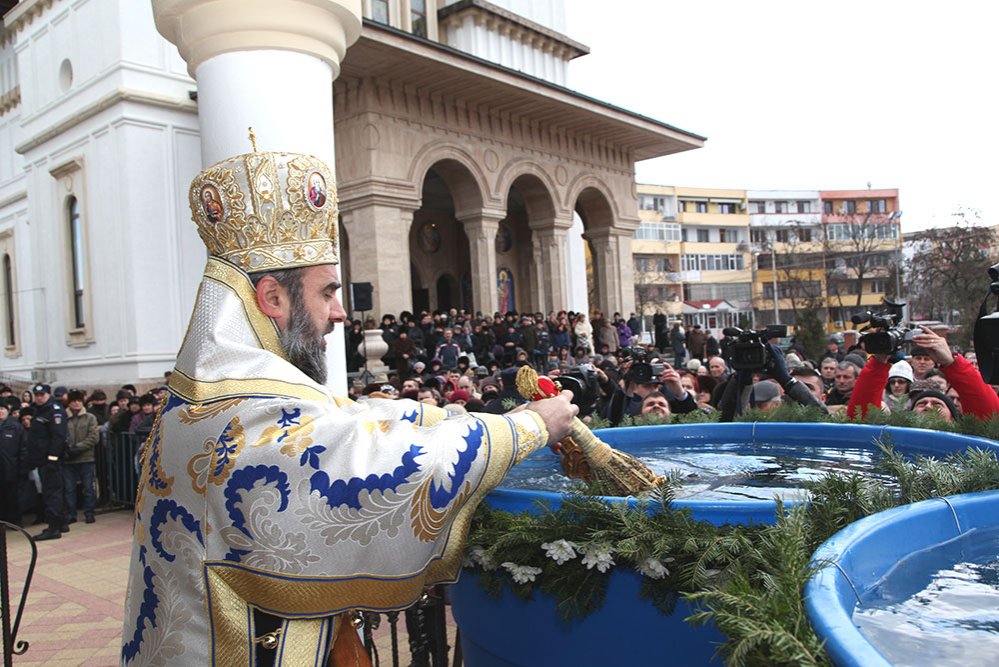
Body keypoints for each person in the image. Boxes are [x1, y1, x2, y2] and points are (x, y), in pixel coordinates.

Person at [121, 149, 576, 666]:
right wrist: (527, 428)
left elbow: (348, 421)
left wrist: (458, 416)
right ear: (272, 297)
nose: (340, 311)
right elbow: (364, 468)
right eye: (328, 292)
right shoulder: (242, 408)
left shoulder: (224, 394)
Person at [848, 326, 999, 421]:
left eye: (937, 404)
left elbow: (991, 415)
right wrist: (879, 361)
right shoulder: (892, 439)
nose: (928, 406)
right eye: (921, 403)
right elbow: (860, 418)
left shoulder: (967, 437)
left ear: (953, 418)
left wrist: (952, 364)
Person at [27, 384, 68, 541]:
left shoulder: (54, 410)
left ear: (48, 394)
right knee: (53, 491)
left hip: (50, 460)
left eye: (41, 395)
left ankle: (54, 527)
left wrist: (52, 458)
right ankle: (61, 522)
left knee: (52, 494)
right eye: (36, 395)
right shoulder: (40, 409)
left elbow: (58, 437)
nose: (38, 397)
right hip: (42, 459)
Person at [63, 389, 100, 525]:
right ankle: (71, 514)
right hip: (68, 459)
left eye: (79, 401)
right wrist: (67, 449)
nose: (77, 404)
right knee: (69, 488)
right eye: (74, 401)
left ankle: (89, 513)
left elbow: (93, 437)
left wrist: (78, 448)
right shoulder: (64, 417)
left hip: (86, 458)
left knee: (88, 488)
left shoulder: (90, 417)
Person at [0, 400, 29, 526]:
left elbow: (23, 449)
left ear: (7, 411)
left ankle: (15, 521)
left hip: (11, 469)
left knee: (13, 497)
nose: (0, 411)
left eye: (2, 409)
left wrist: (22, 468)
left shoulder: (16, 427)